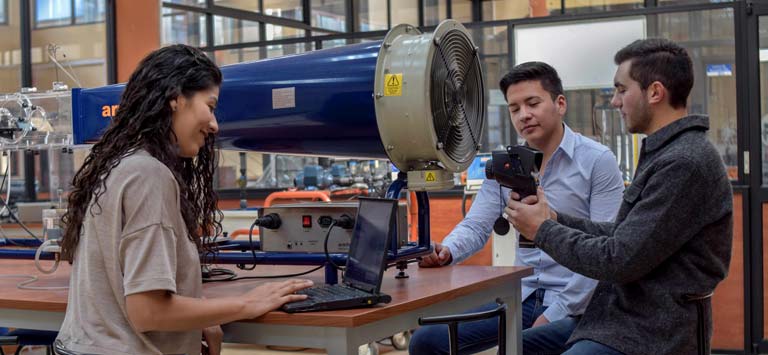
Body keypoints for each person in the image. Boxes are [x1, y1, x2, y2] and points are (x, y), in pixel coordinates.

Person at [55, 44, 314, 355]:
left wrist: (199, 313)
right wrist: (246, 303)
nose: (216, 125)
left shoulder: (120, 164)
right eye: (211, 105)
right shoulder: (148, 175)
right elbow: (147, 311)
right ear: (176, 99)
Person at [506, 38, 733, 355]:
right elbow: (622, 234)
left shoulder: (684, 163)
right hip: (618, 317)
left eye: (621, 90)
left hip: (652, 331)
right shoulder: (664, 152)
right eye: (514, 108)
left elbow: (617, 259)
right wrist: (555, 219)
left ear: (654, 92)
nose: (614, 101)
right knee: (514, 348)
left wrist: (541, 230)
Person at [410, 62, 625, 355]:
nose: (524, 115)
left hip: (577, 301)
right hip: (520, 294)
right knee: (427, 341)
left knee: (518, 349)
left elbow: (603, 252)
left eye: (532, 103)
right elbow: (475, 226)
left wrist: (555, 313)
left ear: (560, 103)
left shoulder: (597, 161)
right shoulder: (506, 166)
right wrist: (447, 251)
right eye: (514, 108)